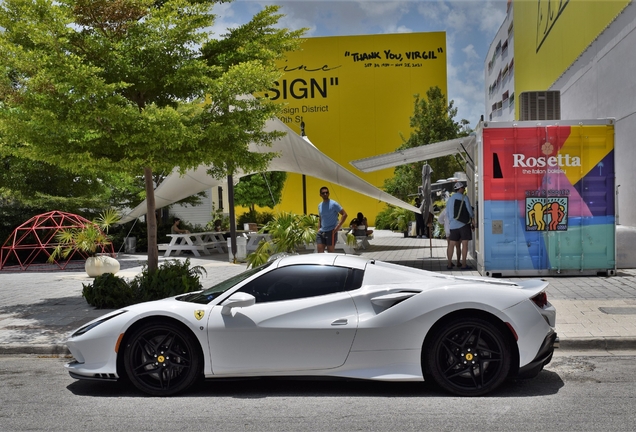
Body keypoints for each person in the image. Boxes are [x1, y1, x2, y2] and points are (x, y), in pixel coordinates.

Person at [446, 182, 474, 270]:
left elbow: (447, 212)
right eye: (463, 188)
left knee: (451, 244)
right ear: (460, 189)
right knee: (464, 244)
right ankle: (464, 265)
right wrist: (472, 219)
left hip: (453, 225)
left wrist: (452, 221)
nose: (464, 189)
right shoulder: (464, 197)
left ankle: (449, 264)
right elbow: (469, 210)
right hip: (463, 224)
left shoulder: (450, 199)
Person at [316, 186, 348, 253]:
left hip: (331, 231)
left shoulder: (334, 204)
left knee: (330, 252)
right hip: (321, 232)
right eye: (323, 193)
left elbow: (344, 214)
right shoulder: (320, 205)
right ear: (320, 195)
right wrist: (318, 229)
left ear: (329, 193)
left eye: (326, 192)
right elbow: (320, 218)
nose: (325, 194)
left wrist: (337, 227)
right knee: (319, 252)